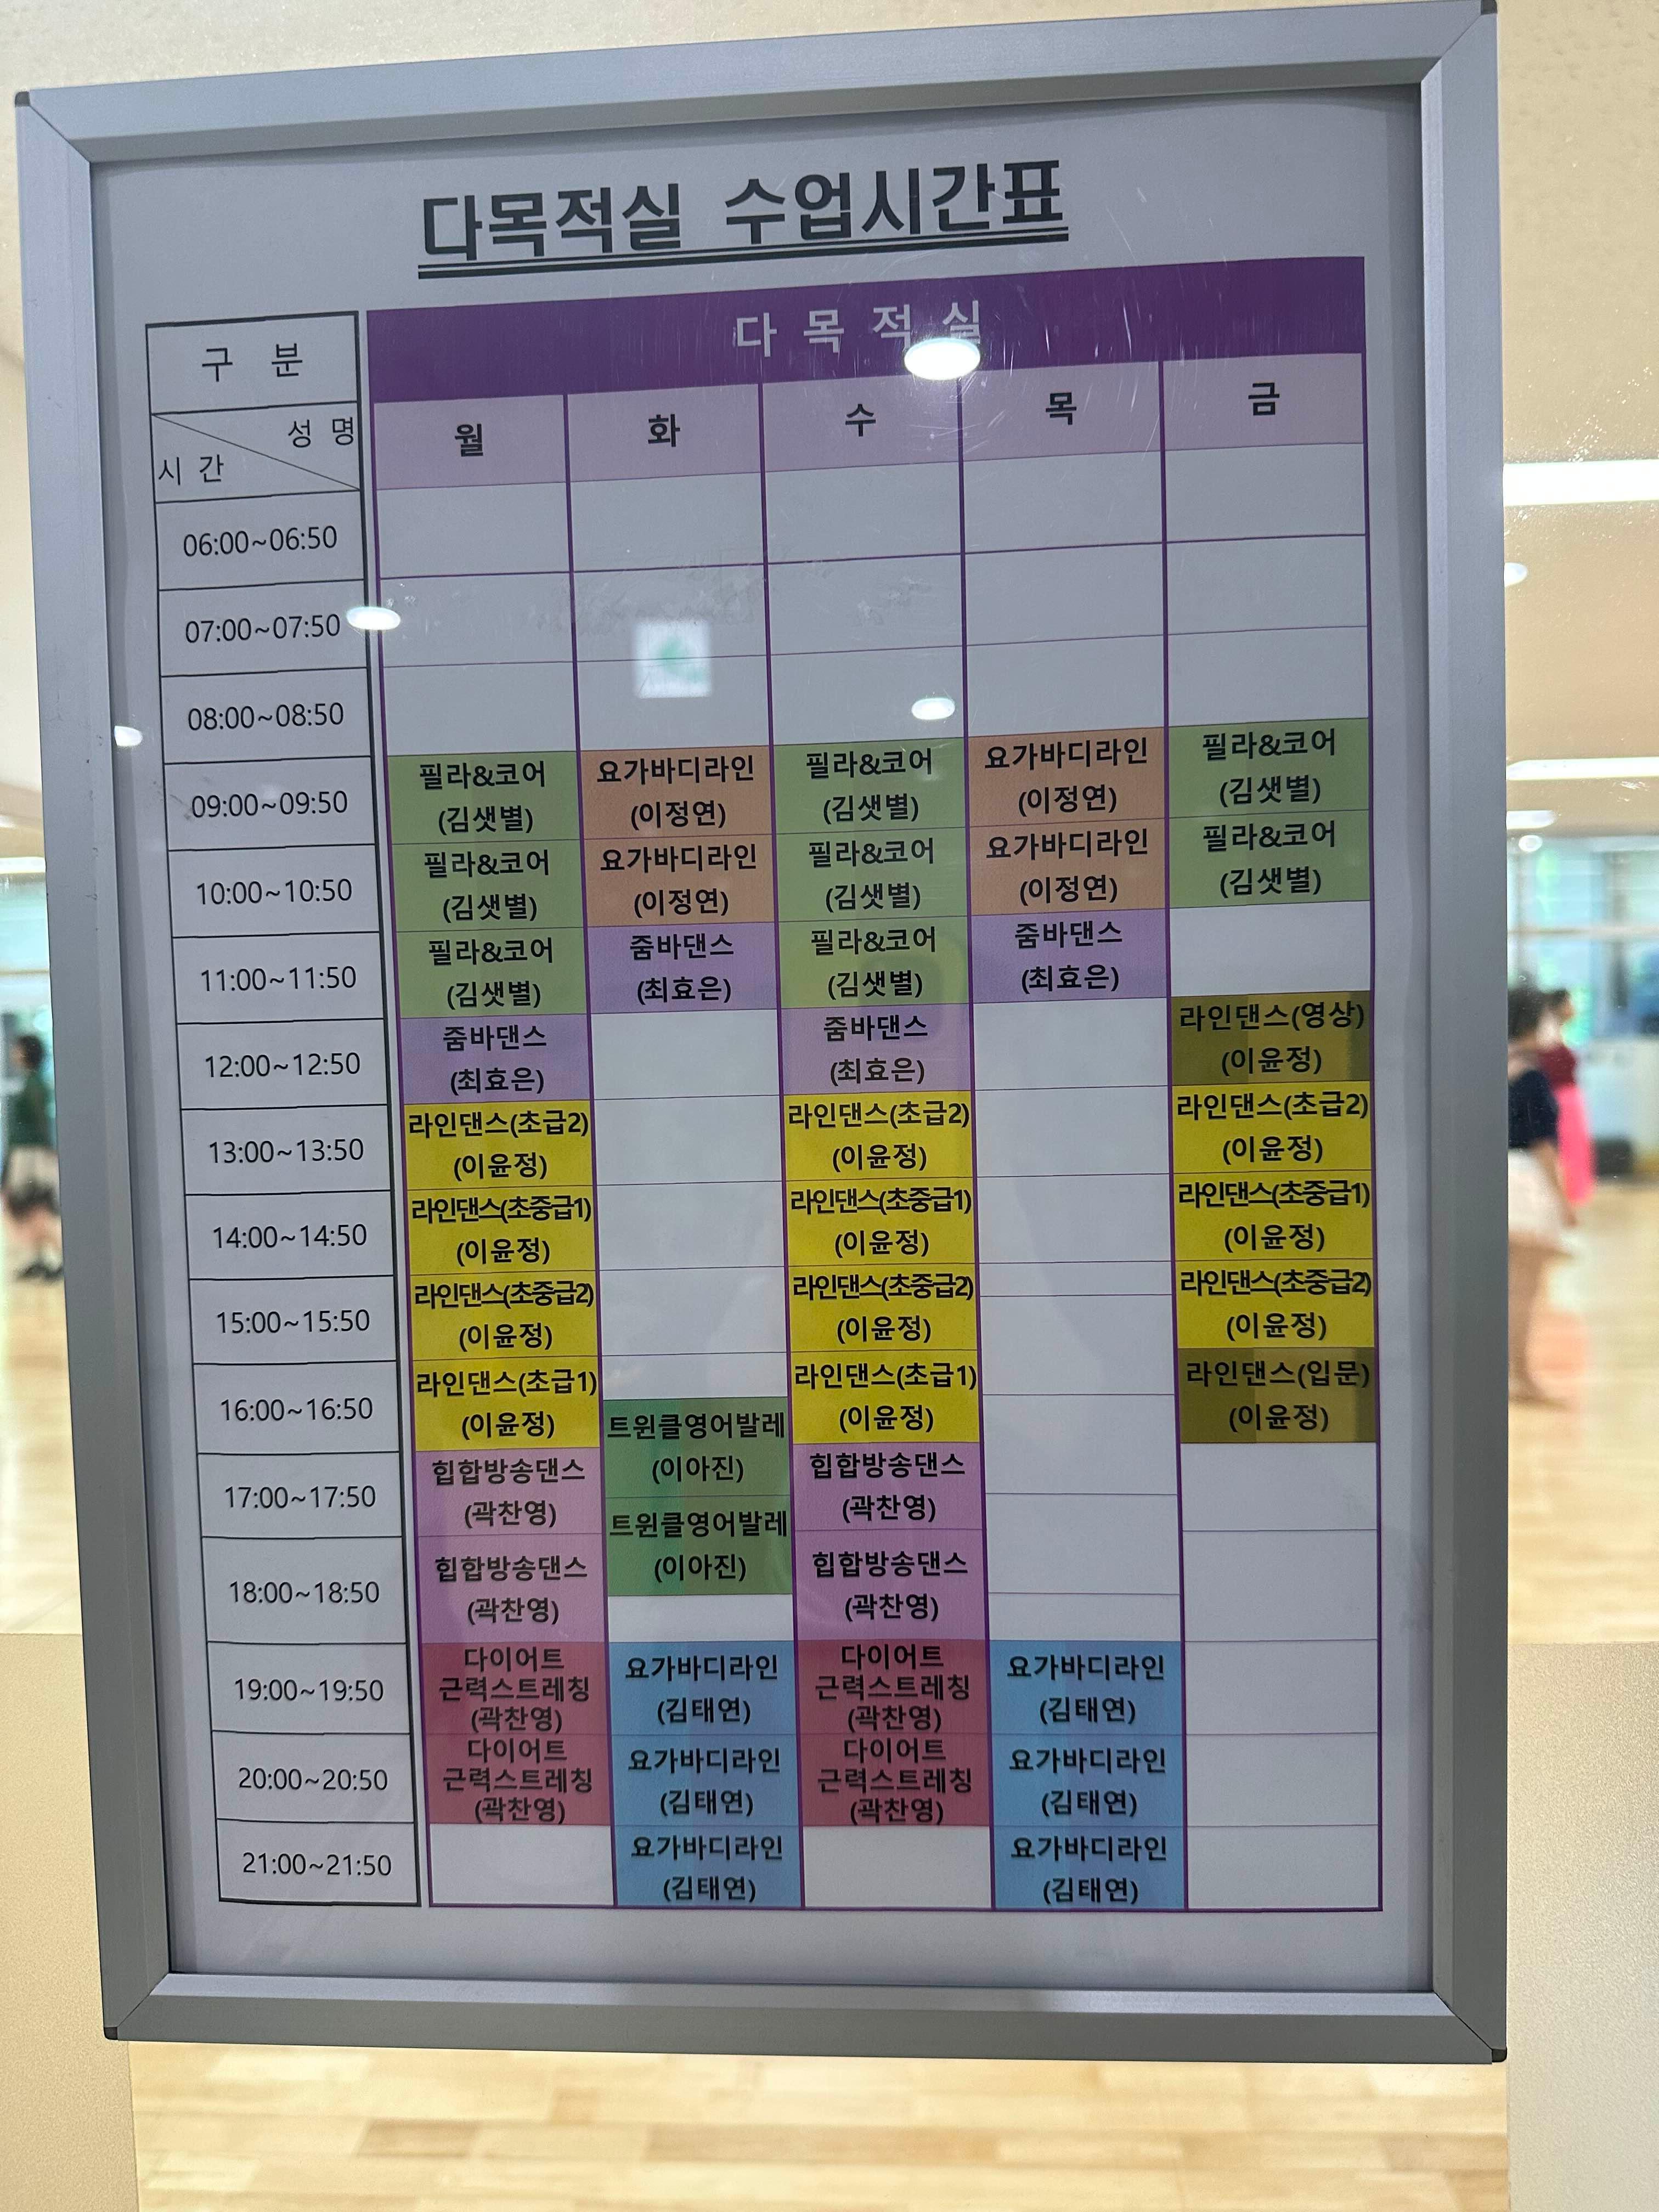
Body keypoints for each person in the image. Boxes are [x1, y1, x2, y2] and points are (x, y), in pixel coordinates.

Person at [1508, 982, 1570, 1403]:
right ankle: (1520, 1376)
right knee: (1523, 1288)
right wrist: (1564, 1201)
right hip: (1524, 1184)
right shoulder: (1529, 1075)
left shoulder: (1494, 1066)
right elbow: (1542, 1145)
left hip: (1496, 1176)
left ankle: (1514, 1374)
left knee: (1509, 1286)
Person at [3, 1032, 61, 1281]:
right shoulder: (29, 1082)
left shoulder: (35, 1084)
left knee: (37, 1207)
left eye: (17, 1048)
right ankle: (38, 1259)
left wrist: (49, 1150)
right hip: (26, 1155)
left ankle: (59, 1257)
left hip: (32, 1157)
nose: (13, 1053)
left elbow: (40, 1122)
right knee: (28, 1208)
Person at [1537, 986, 1595, 1209]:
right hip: (1561, 1098)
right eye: (1570, 1003)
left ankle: (1572, 1196)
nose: (1574, 1009)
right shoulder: (1547, 1031)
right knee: (1567, 1149)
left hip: (1569, 1097)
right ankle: (1566, 1195)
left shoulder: (1557, 1031)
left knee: (1575, 1149)